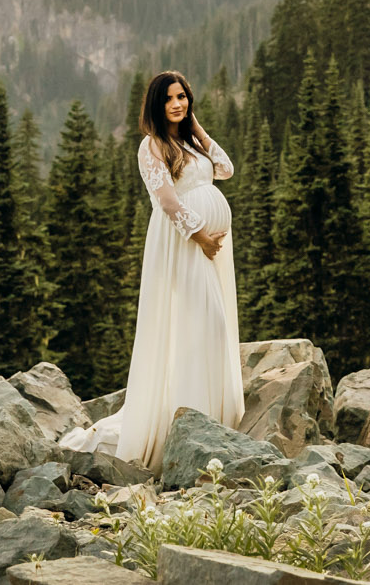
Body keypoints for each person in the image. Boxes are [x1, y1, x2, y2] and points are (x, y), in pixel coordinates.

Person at [62, 69, 243, 469]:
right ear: (156, 105)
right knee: (205, 321)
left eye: (182, 97)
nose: (177, 104)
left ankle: (205, 415)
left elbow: (226, 169)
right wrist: (200, 236)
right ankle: (189, 422)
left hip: (208, 246)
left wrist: (197, 127)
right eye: (169, 99)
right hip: (182, 244)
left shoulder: (189, 140)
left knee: (210, 324)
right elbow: (166, 201)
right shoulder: (152, 146)